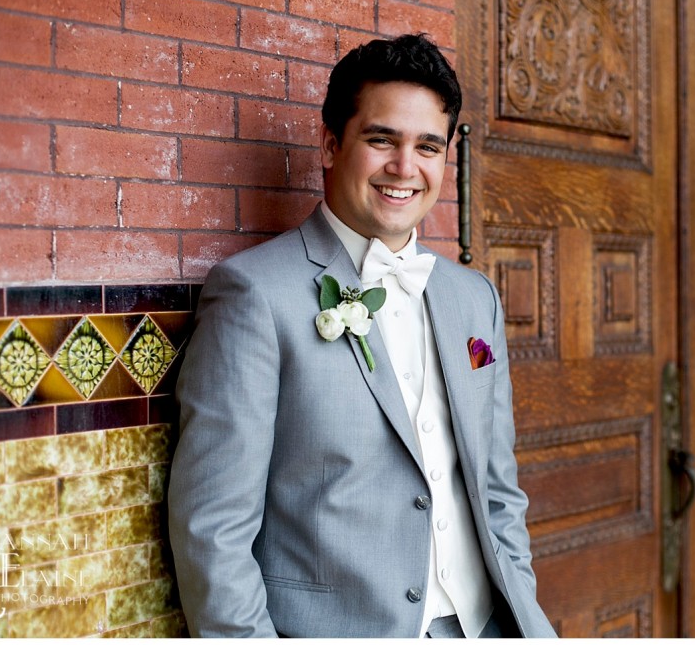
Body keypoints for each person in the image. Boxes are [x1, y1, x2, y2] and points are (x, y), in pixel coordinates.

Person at [167, 33, 556, 639]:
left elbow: (497, 488)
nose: (406, 168)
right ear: (329, 143)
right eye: (382, 140)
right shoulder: (254, 295)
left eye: (428, 146)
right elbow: (212, 531)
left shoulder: (473, 298)